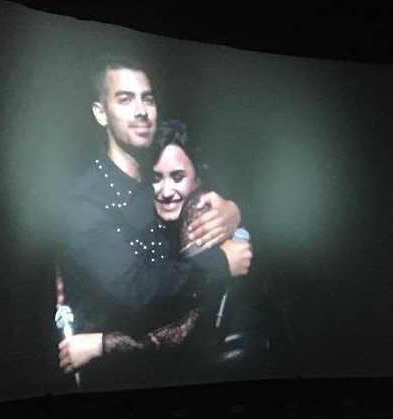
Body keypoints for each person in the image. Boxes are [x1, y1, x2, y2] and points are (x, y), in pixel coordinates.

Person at [56, 55, 251, 387]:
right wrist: (220, 263)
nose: (141, 110)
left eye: (147, 98)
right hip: (117, 383)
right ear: (100, 113)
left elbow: (210, 191)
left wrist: (234, 210)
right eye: (125, 99)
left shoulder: (161, 170)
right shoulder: (85, 205)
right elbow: (139, 291)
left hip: (180, 370)